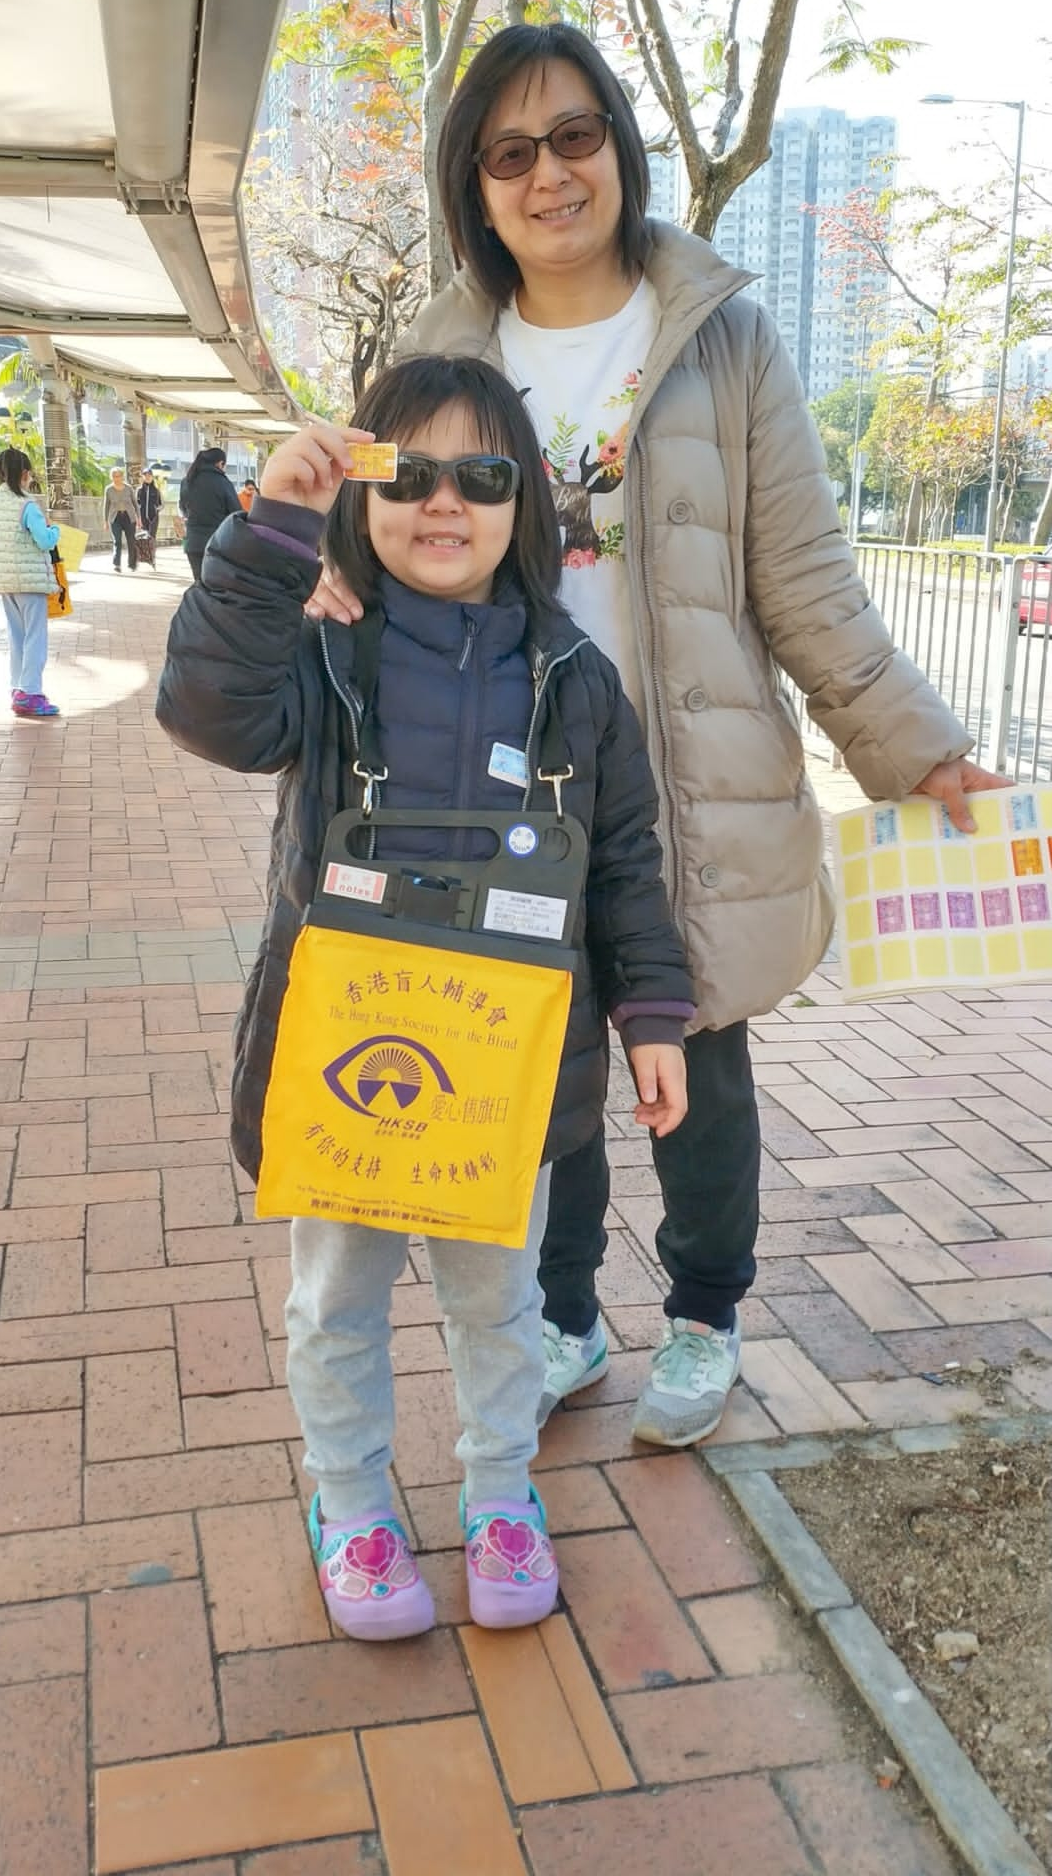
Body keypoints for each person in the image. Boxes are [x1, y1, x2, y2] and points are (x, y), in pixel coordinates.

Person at [281, 20, 1007, 1452]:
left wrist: (910, 745)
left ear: (615, 144)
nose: (548, 174)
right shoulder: (439, 347)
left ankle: (702, 1317)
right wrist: (312, 574)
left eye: (572, 137)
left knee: (699, 1062)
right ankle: (558, 1320)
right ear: (471, 185)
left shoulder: (721, 334)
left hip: (686, 774)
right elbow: (367, 556)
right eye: (508, 152)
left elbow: (799, 577)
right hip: (487, 773)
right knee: (524, 1064)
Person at [156, 355, 693, 1640]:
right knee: (335, 1298)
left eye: (483, 473)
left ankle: (502, 1493)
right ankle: (349, 1502)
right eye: (409, 472)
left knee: (499, 1303)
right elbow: (206, 710)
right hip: (350, 1053)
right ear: (362, 493)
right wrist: (271, 534)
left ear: (527, 506)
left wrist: (653, 1015)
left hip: (504, 1076)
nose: (444, 501)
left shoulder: (576, 679)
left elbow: (620, 862)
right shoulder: (324, 648)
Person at [0, 447, 61, 718]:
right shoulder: (27, 505)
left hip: (5, 583)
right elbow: (45, 540)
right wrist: (55, 530)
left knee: (17, 636)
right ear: (24, 474)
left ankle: (17, 688)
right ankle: (31, 692)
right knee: (35, 637)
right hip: (29, 581)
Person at [179, 445, 242, 581]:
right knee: (216, 587)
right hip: (218, 544)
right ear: (220, 463)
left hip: (193, 543)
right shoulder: (223, 482)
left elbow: (183, 508)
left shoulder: (186, 481)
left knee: (199, 583)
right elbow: (236, 513)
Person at [102, 467, 139, 572]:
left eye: (118, 476)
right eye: (114, 476)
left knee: (131, 541)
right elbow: (106, 506)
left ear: (122, 477)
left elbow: (135, 504)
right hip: (115, 517)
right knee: (117, 541)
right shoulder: (108, 489)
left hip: (129, 517)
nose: (116, 478)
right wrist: (105, 521)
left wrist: (139, 518)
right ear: (111, 477)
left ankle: (132, 564)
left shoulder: (129, 488)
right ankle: (117, 564)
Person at [137, 468, 163, 540]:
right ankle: (144, 551)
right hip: (142, 518)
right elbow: (136, 504)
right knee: (143, 538)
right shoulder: (139, 490)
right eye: (145, 475)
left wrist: (156, 509)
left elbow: (162, 504)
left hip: (153, 518)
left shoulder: (157, 490)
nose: (147, 477)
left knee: (152, 538)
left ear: (152, 477)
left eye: (149, 475)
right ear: (143, 477)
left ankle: (152, 551)